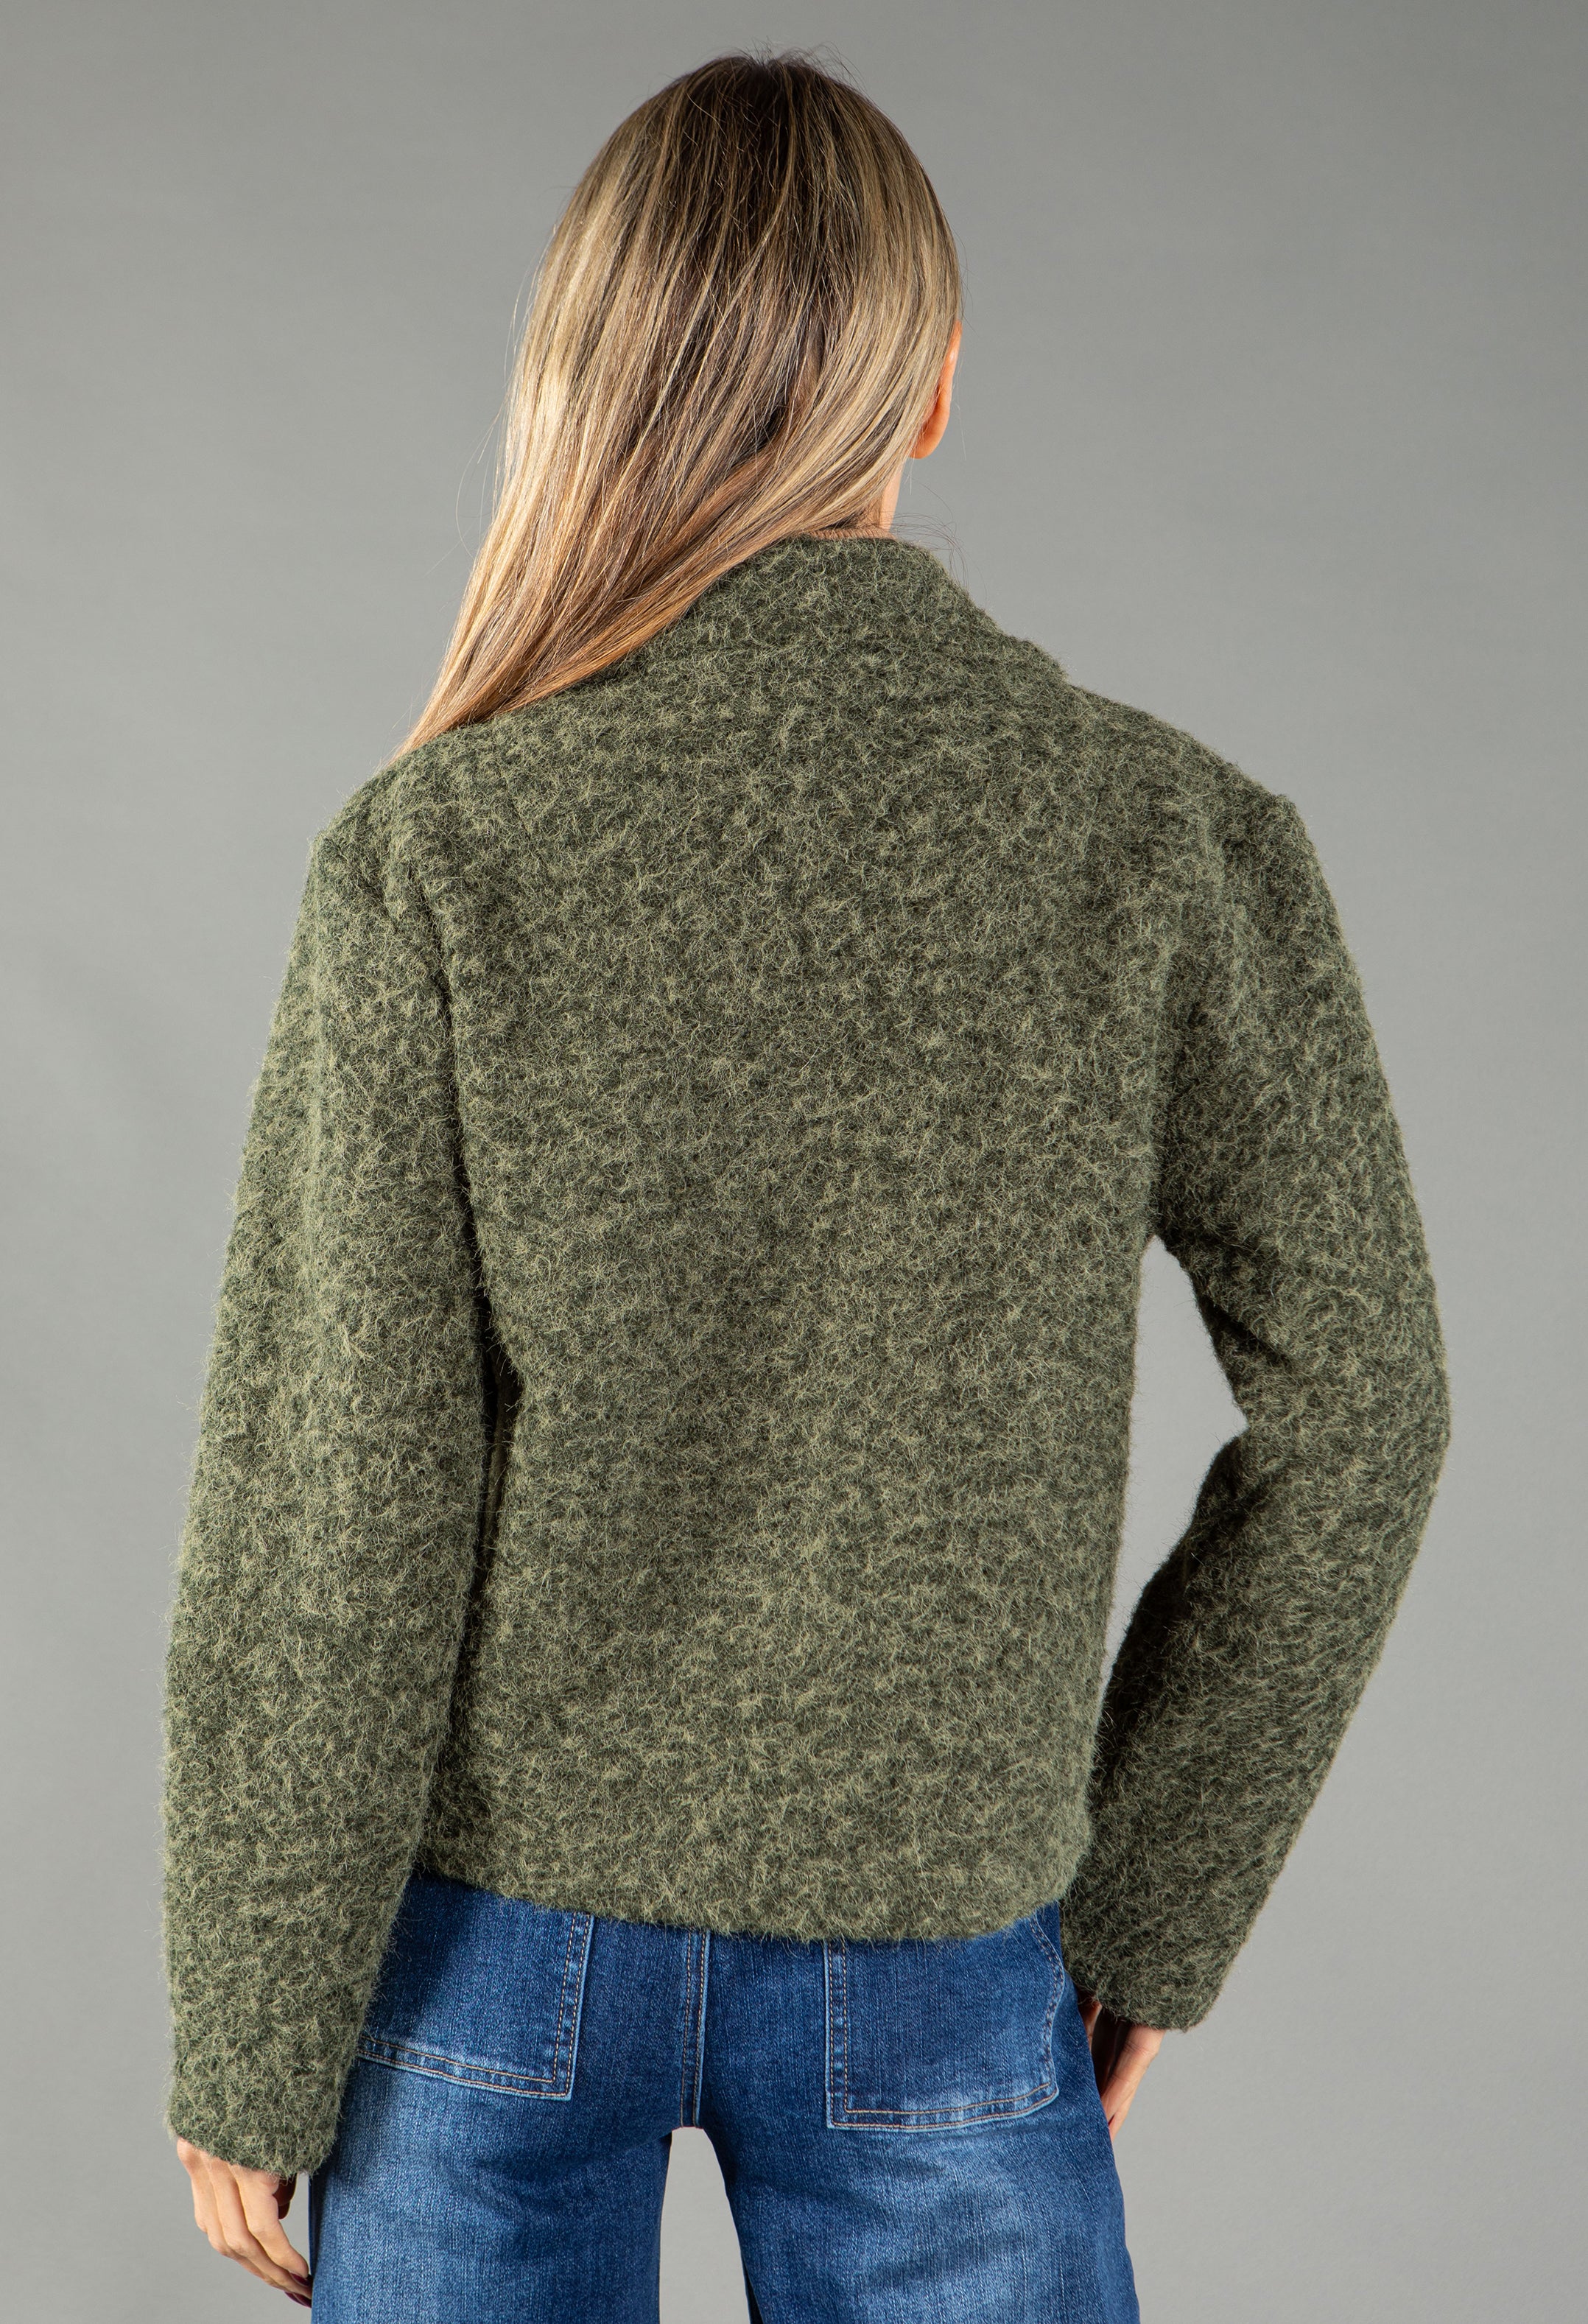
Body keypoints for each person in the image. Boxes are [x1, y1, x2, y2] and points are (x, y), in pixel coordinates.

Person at [161, 49, 1452, 2324]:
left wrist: (257, 2021)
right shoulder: (1162, 839)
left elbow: (339, 1489)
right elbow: (1369, 1410)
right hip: (938, 1947)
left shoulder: (438, 853)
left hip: (488, 1952)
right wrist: (1152, 1897)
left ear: (583, 381)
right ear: (930, 389)